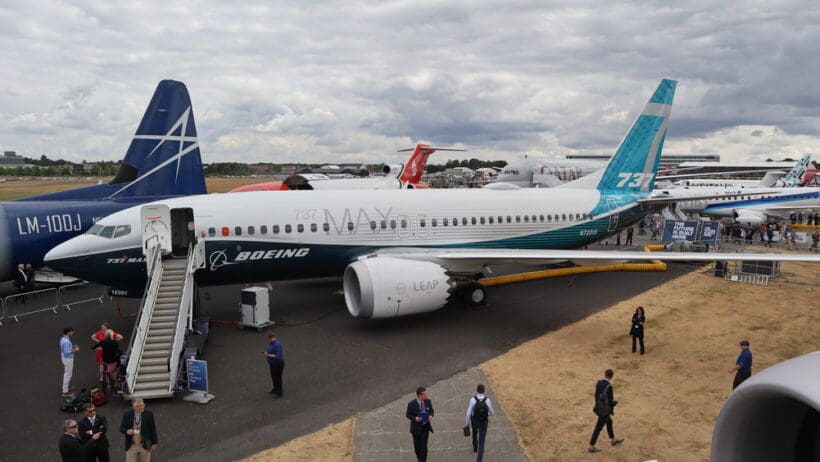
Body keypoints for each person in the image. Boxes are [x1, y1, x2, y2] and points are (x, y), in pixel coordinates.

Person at [588, 369, 624, 453]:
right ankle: (591, 446)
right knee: (598, 428)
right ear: (612, 377)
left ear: (604, 374)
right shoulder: (609, 387)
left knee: (609, 422)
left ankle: (613, 439)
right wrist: (616, 401)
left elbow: (596, 395)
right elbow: (610, 403)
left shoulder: (599, 382)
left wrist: (597, 405)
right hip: (605, 411)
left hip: (599, 408)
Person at [464, 384, 494, 462]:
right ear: (484, 391)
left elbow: (468, 413)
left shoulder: (473, 400)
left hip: (475, 420)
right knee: (482, 441)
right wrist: (486, 414)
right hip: (484, 422)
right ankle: (479, 460)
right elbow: (492, 413)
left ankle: (475, 446)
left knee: (474, 432)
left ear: (477, 390)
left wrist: (467, 423)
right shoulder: (487, 400)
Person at [406, 386, 435, 462]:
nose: (426, 396)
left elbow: (431, 411)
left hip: (425, 428)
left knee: (424, 448)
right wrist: (415, 418)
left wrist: (431, 416)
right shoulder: (411, 404)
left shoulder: (428, 401)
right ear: (420, 395)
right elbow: (408, 415)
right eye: (425, 394)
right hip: (416, 429)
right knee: (417, 448)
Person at [263, 330, 284, 398]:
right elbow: (269, 349)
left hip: (278, 364)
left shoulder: (277, 344)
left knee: (278, 378)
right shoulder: (271, 343)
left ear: (272, 337)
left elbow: (277, 356)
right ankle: (275, 389)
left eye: (268, 339)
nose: (268, 341)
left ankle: (279, 393)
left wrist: (267, 355)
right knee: (273, 377)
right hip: (272, 364)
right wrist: (266, 352)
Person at [60, 327, 80, 396]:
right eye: (71, 332)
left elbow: (66, 348)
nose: (72, 333)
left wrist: (72, 346)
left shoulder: (64, 339)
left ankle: (66, 387)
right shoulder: (66, 341)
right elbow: (67, 352)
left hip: (65, 358)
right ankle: (65, 392)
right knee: (68, 375)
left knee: (67, 374)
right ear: (68, 332)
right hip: (68, 359)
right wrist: (75, 350)